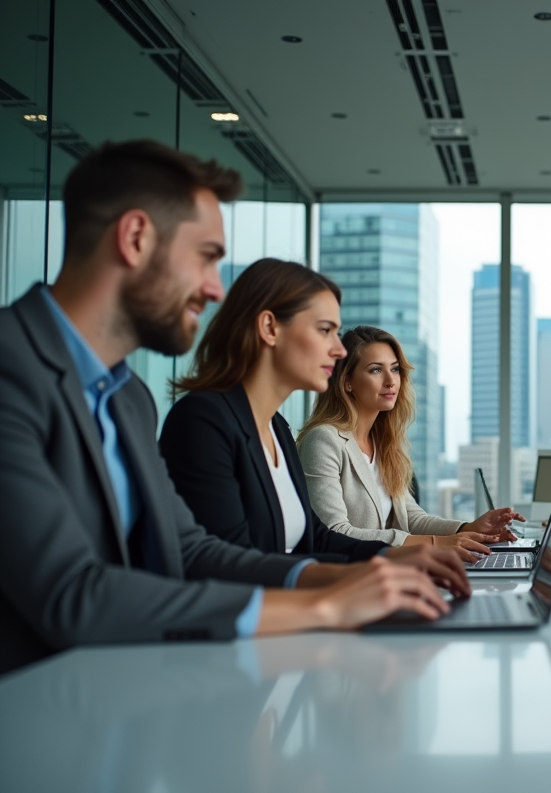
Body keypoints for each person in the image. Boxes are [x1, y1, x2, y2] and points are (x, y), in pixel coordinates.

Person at [0, 140, 466, 674]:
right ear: (134, 239)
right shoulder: (12, 369)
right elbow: (71, 593)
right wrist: (324, 603)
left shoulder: (127, 398)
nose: (215, 289)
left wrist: (363, 574)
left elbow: (192, 551)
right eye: (206, 257)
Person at [159, 260, 496, 565]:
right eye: (325, 330)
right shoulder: (202, 421)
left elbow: (316, 539)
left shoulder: (277, 429)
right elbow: (227, 566)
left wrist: (418, 558)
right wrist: (423, 550)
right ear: (270, 328)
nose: (337, 350)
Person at [297, 325, 523, 553]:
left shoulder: (384, 443)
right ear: (347, 382)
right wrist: (436, 543)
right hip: (349, 577)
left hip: (391, 570)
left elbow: (412, 519)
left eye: (395, 369)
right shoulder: (324, 440)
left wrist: (471, 528)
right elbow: (335, 532)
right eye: (376, 370)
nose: (390, 381)